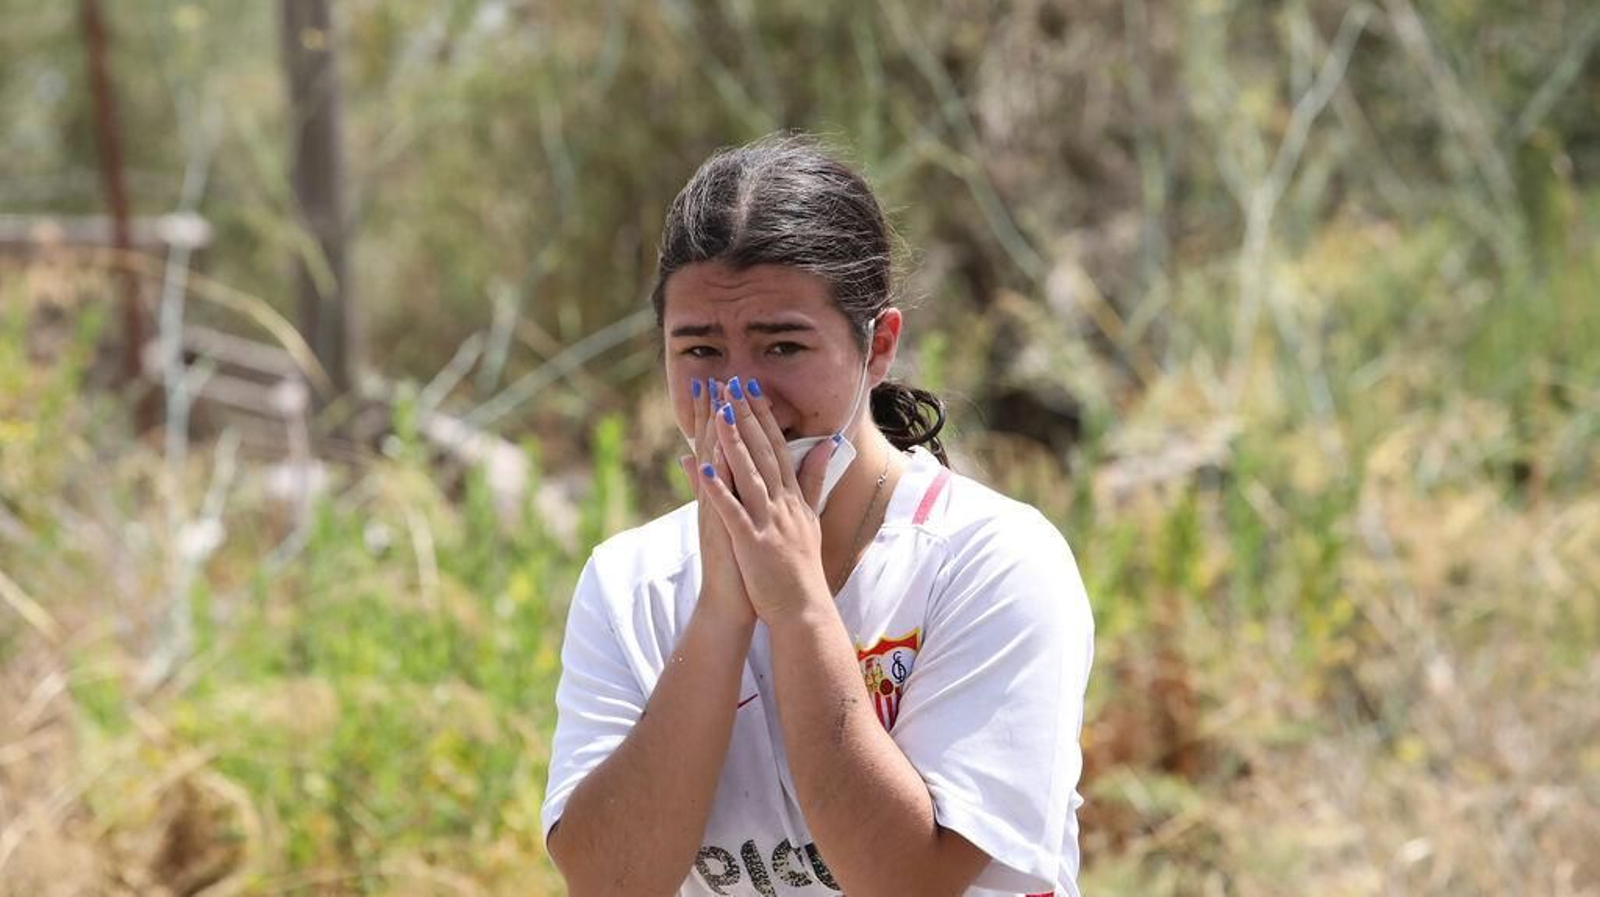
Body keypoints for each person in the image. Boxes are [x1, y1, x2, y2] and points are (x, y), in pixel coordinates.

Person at [540, 135, 1094, 897]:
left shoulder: (991, 559)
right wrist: (721, 612)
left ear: (878, 347)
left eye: (783, 345)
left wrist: (797, 607)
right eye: (701, 350)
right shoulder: (630, 582)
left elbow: (909, 880)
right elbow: (607, 882)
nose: (744, 394)